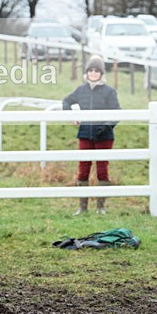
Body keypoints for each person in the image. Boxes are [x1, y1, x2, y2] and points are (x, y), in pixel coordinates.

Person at [62, 55, 121, 215]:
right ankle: (82, 207)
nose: (93, 73)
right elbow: (66, 101)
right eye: (91, 70)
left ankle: (101, 207)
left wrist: (106, 126)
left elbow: (117, 112)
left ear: (102, 73)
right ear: (87, 72)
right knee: (83, 169)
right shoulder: (81, 90)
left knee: (102, 170)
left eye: (97, 70)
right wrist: (72, 116)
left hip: (104, 135)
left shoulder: (109, 91)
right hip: (85, 133)